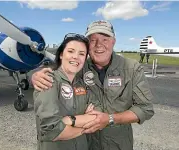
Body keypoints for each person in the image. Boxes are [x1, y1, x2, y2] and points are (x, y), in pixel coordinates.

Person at [32, 20, 154, 150]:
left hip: (118, 144)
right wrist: (36, 75)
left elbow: (145, 109)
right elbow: (60, 69)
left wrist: (110, 119)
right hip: (87, 143)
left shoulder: (132, 69)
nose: (98, 45)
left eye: (105, 39)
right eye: (93, 40)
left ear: (114, 41)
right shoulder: (80, 66)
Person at [34, 33, 102, 150]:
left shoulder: (84, 83)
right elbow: (52, 130)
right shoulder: (47, 80)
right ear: (61, 54)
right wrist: (85, 124)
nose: (76, 57)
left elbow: (97, 116)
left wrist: (71, 120)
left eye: (81, 54)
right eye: (71, 51)